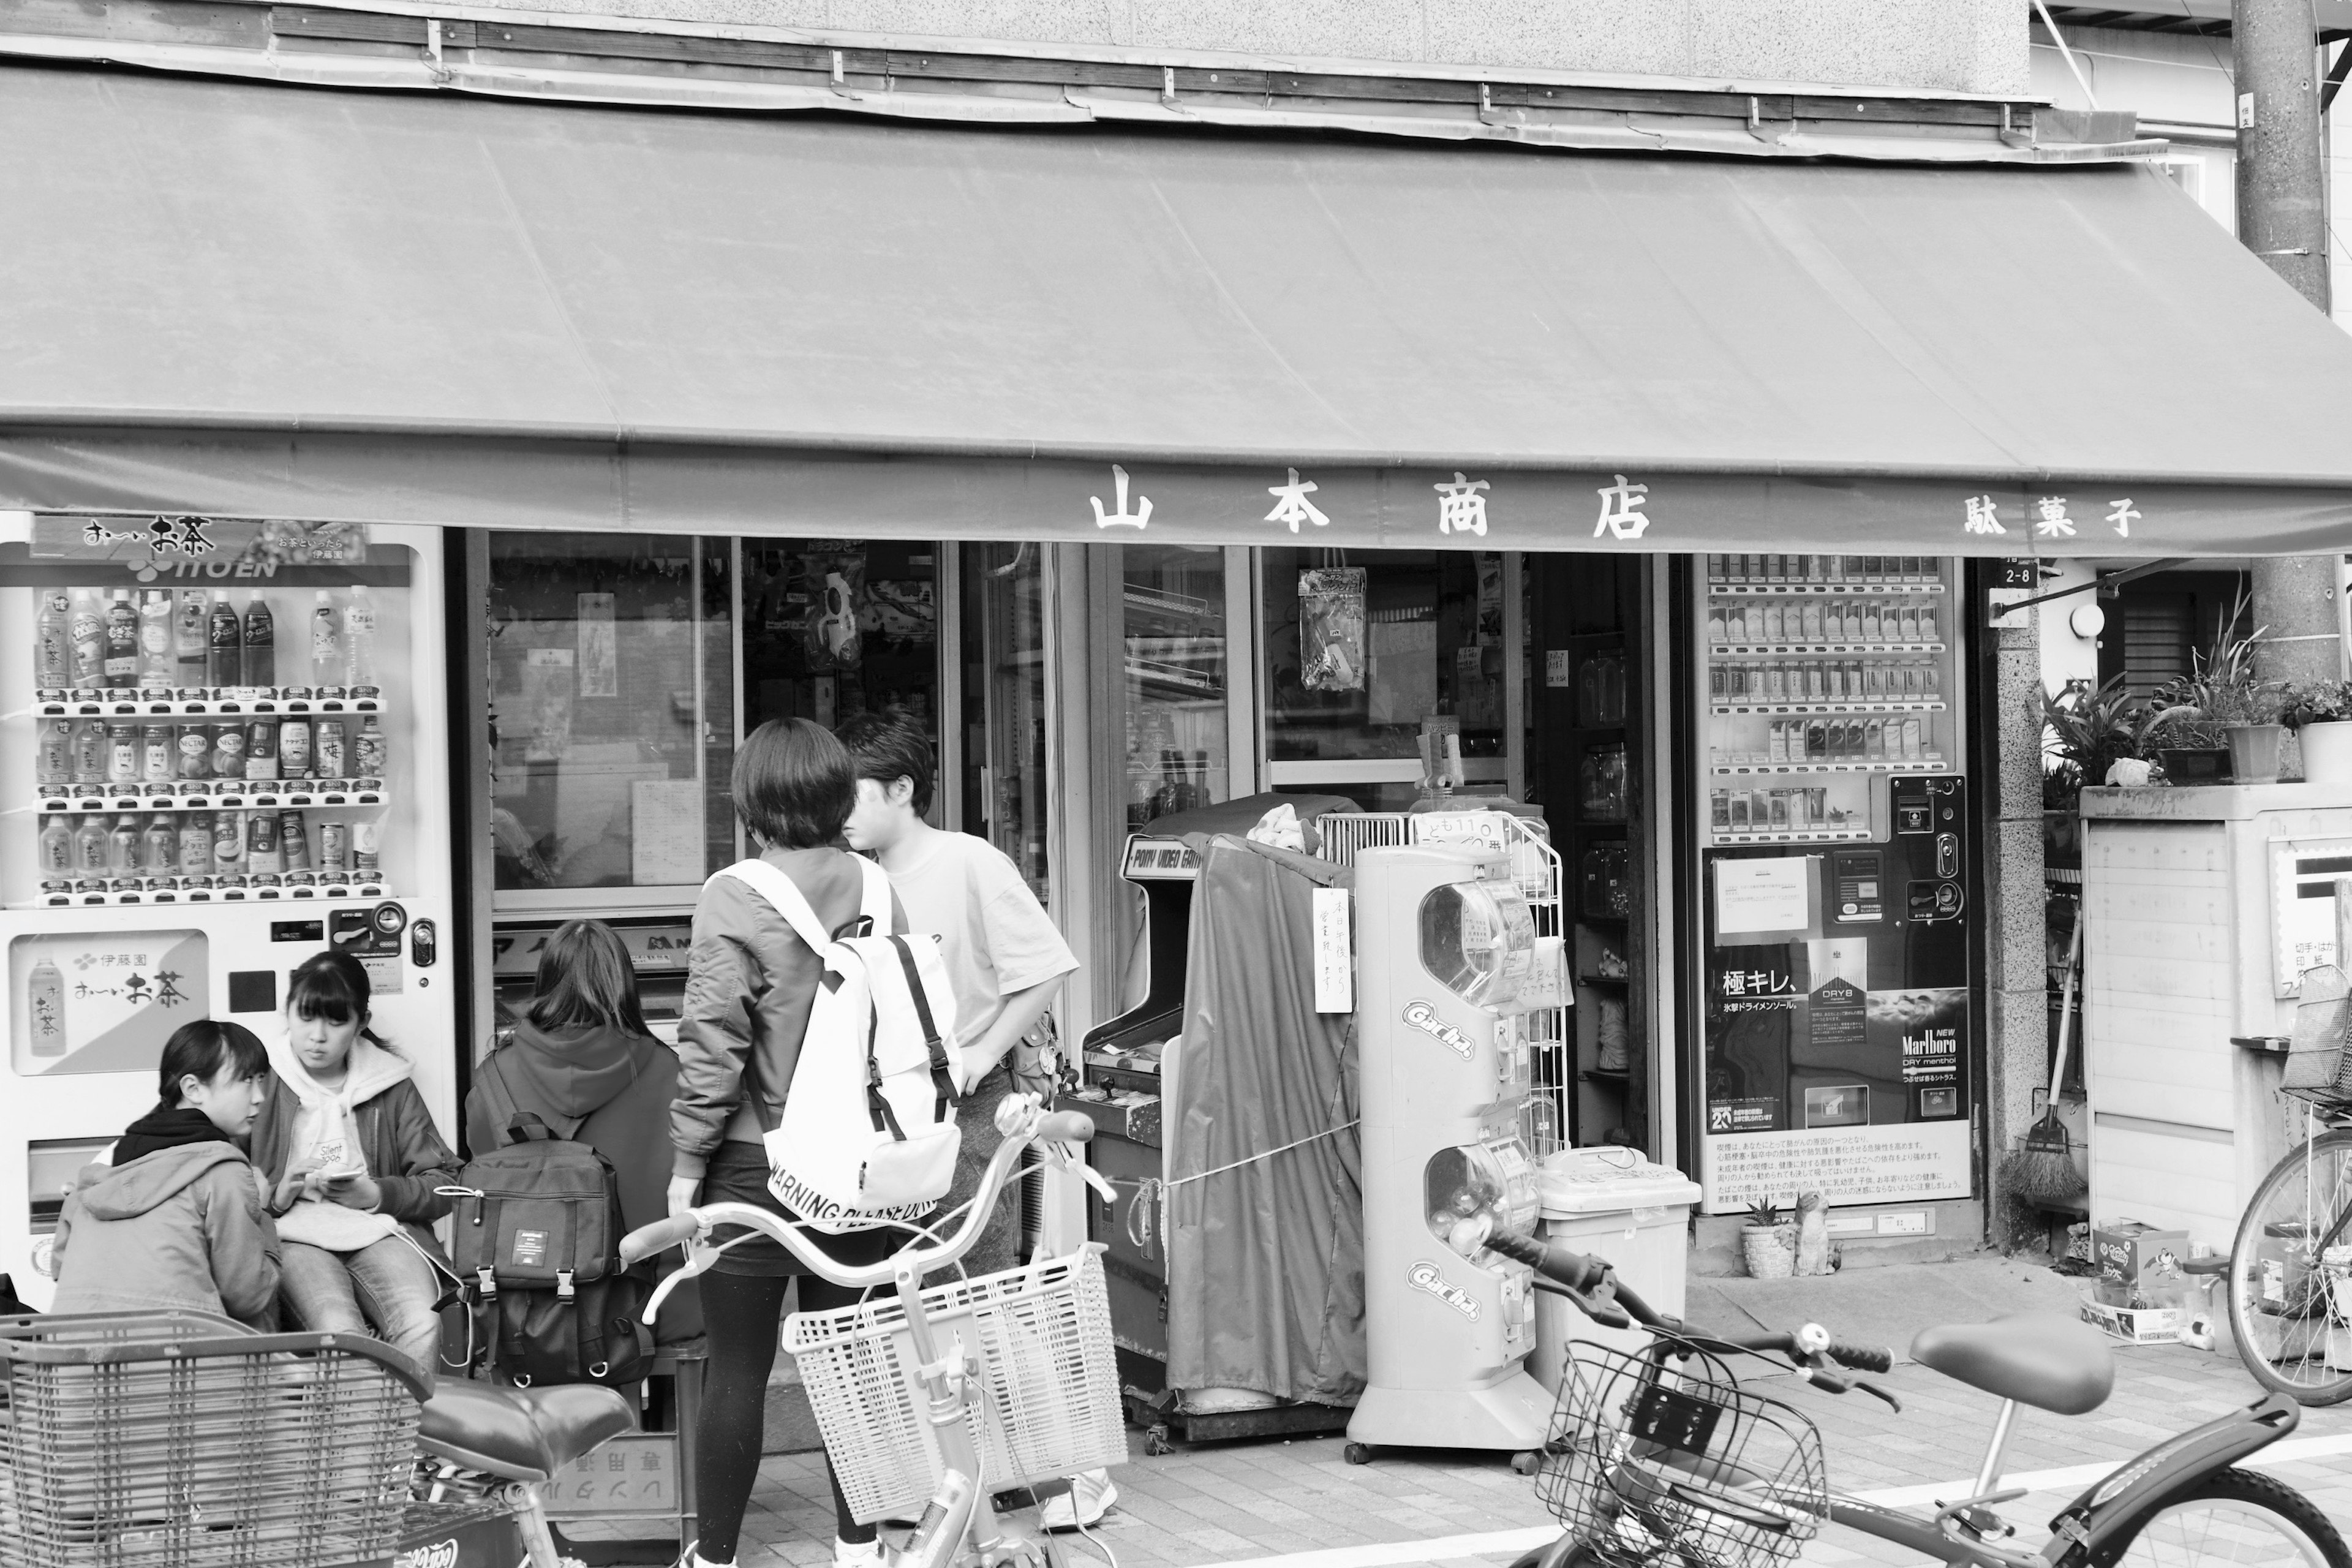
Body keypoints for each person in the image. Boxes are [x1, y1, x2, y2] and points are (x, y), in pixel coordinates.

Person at [837, 709, 1111, 1528]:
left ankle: (1073, 1471)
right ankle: (973, 1477)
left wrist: (978, 1055)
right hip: (895, 1117)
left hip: (971, 1106)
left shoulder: (969, 864)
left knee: (975, 1296)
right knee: (921, 1297)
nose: (838, 814)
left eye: (850, 796)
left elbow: (1046, 967)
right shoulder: (861, 880)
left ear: (902, 791)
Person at [669, 718, 911, 1568]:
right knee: (850, 1358)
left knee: (737, 1367)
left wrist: (685, 1167)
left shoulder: (735, 893)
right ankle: (860, 1549)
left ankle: (717, 1559)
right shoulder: (881, 889)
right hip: (861, 1164)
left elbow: (712, 1044)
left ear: (753, 800)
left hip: (753, 1163)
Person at [466, 917, 699, 1341]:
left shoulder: (494, 1076)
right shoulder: (669, 1072)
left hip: (528, 1303)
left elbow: (482, 1175)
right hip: (650, 1303)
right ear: (623, 985)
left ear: (547, 980)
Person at [252, 949, 458, 1387]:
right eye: (306, 1017)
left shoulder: (390, 1084)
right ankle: (357, 1452)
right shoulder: (257, 1077)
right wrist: (278, 1194)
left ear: (362, 1022)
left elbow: (447, 1183)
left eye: (336, 1021)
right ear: (286, 1011)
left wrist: (378, 1194)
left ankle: (407, 1449)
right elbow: (213, 1170)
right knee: (341, 1334)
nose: (317, 1036)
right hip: (291, 1235)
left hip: (376, 1229)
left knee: (423, 1320)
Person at [50, 1019, 281, 1327]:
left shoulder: (107, 1160)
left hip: (75, 1358)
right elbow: (247, 1296)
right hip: (176, 1362)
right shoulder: (223, 1170)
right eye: (246, 1080)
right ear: (193, 1089)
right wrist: (262, 1215)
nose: (259, 1097)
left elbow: (60, 1266)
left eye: (261, 1080)